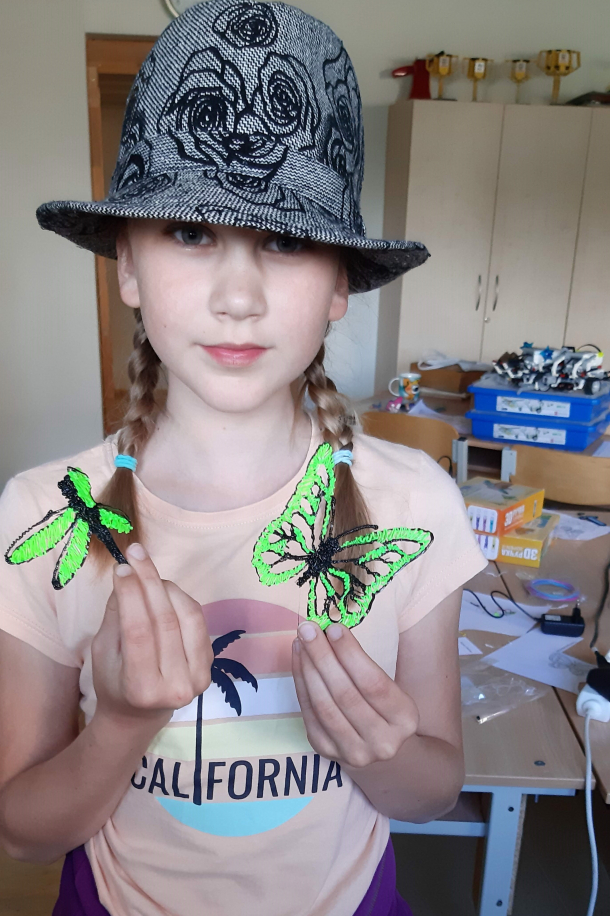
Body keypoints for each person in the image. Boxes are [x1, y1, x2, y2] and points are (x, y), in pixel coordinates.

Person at [0, 2, 486, 914]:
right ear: (127, 267)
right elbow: (22, 832)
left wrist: (383, 752)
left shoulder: (417, 503)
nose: (238, 297)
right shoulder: (42, 511)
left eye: (286, 240)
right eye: (191, 233)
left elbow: (432, 791)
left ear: (340, 283)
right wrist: (124, 724)